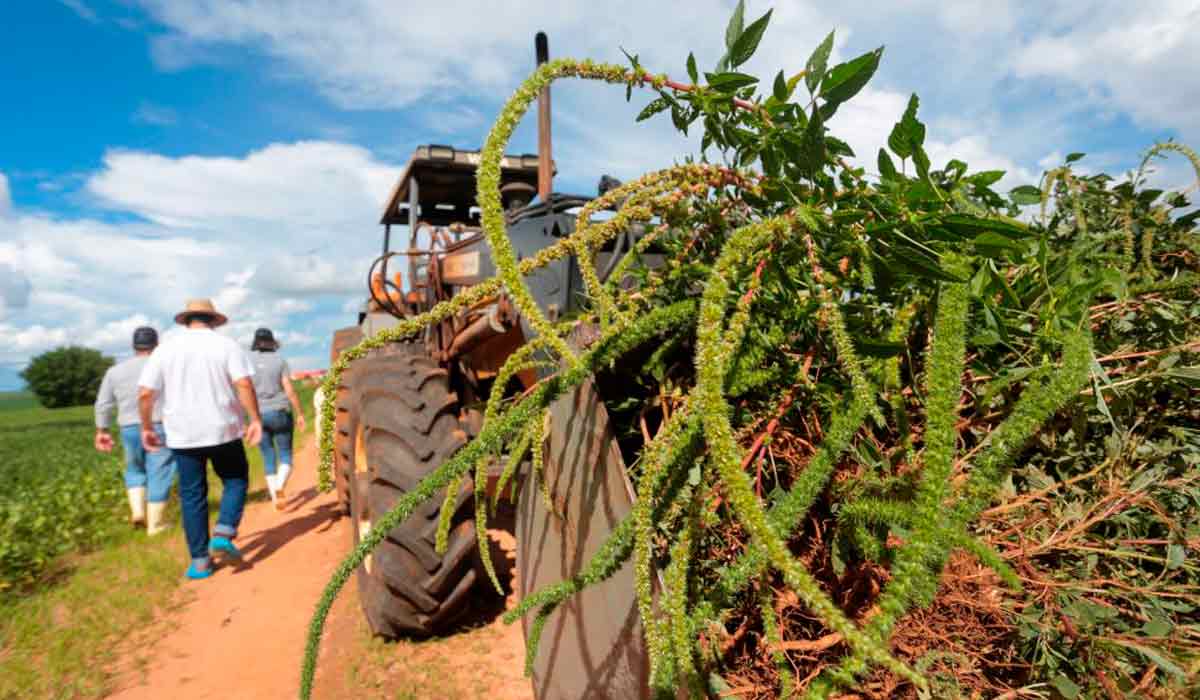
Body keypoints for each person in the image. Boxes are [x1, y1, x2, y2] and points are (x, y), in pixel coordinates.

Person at [137, 299, 262, 580]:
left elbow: (145, 393)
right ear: (215, 321)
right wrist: (254, 419)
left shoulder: (165, 350)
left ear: (185, 321)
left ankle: (200, 563)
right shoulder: (227, 346)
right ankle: (224, 531)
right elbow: (243, 383)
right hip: (224, 430)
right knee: (235, 479)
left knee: (192, 495)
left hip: (182, 435)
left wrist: (146, 426)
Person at [94, 326, 176, 535]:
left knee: (135, 469)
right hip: (158, 425)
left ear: (134, 346)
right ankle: (156, 525)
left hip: (128, 428)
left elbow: (103, 403)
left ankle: (138, 511)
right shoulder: (165, 366)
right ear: (156, 344)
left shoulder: (114, 371)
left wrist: (102, 430)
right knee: (160, 471)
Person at [248, 327, 306, 510]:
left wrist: (247, 418)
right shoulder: (280, 360)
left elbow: (244, 389)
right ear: (272, 342)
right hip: (280, 411)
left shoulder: (248, 361)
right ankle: (280, 487)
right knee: (286, 455)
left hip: (259, 414)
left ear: (255, 342)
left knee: (268, 457)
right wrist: (300, 414)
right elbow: (289, 389)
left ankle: (275, 497)